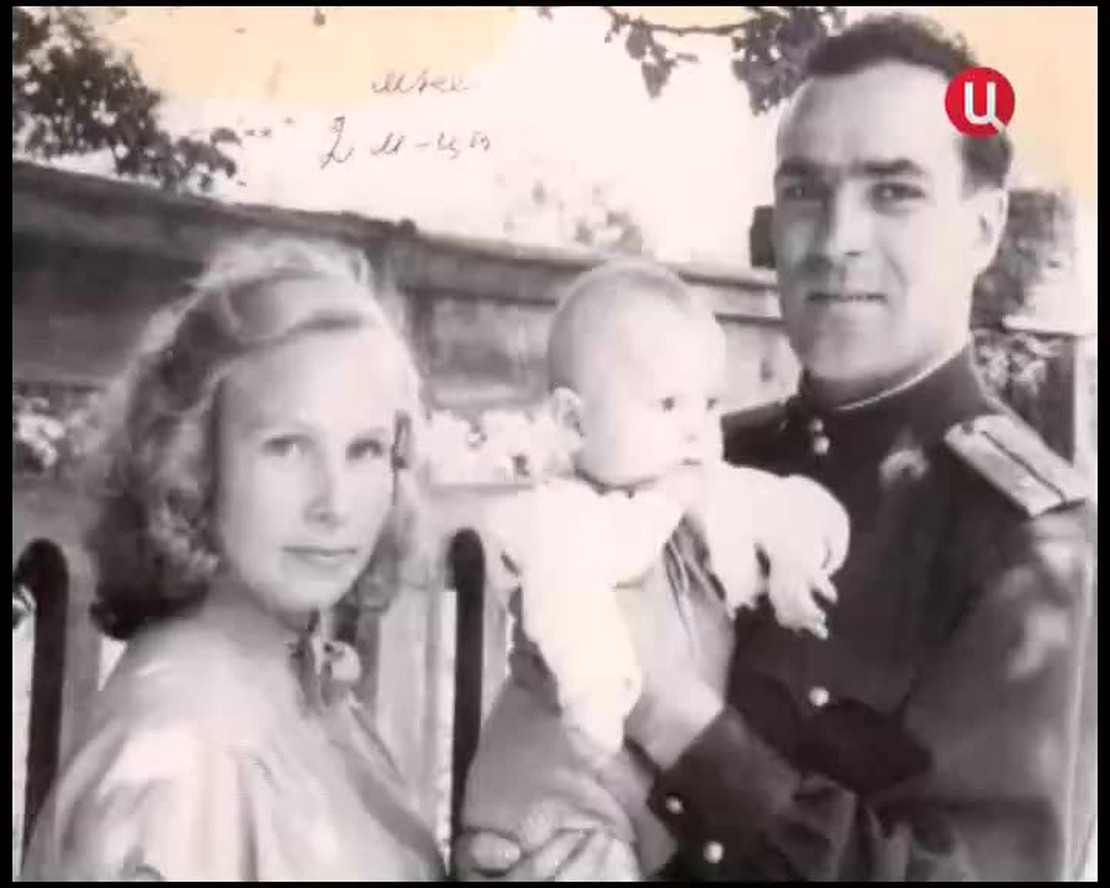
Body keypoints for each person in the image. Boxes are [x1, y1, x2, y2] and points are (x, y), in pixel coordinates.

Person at [456, 13, 1097, 882]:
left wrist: (675, 714)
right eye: (805, 190)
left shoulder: (1028, 542)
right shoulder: (698, 460)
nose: (836, 240)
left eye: (893, 192)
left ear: (983, 230)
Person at [21, 234, 446, 880]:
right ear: (192, 461)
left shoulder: (299, 684)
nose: (334, 504)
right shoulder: (185, 755)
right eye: (287, 447)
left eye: (365, 450)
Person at [457, 259, 851, 878]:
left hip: (647, 799)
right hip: (563, 796)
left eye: (709, 404)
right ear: (574, 422)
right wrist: (597, 702)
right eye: (666, 404)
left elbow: (794, 508)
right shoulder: (563, 516)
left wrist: (796, 566)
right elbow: (568, 606)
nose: (696, 430)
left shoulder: (698, 489)